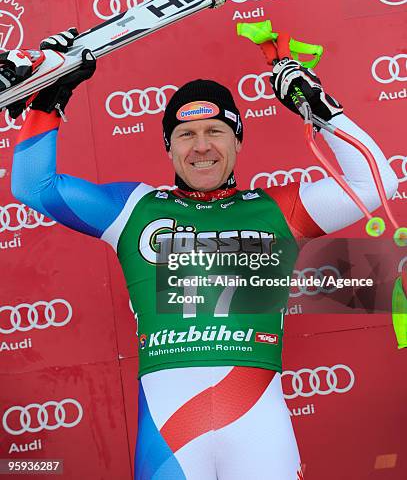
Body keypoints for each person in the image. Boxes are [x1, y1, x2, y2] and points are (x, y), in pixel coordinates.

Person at [6, 28, 398, 479]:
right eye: (186, 134)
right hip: (168, 430)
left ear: (238, 141)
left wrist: (320, 107)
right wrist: (47, 100)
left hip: (259, 429)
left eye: (216, 131)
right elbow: (33, 187)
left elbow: (378, 183)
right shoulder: (133, 209)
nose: (202, 146)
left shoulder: (277, 210)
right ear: (168, 146)